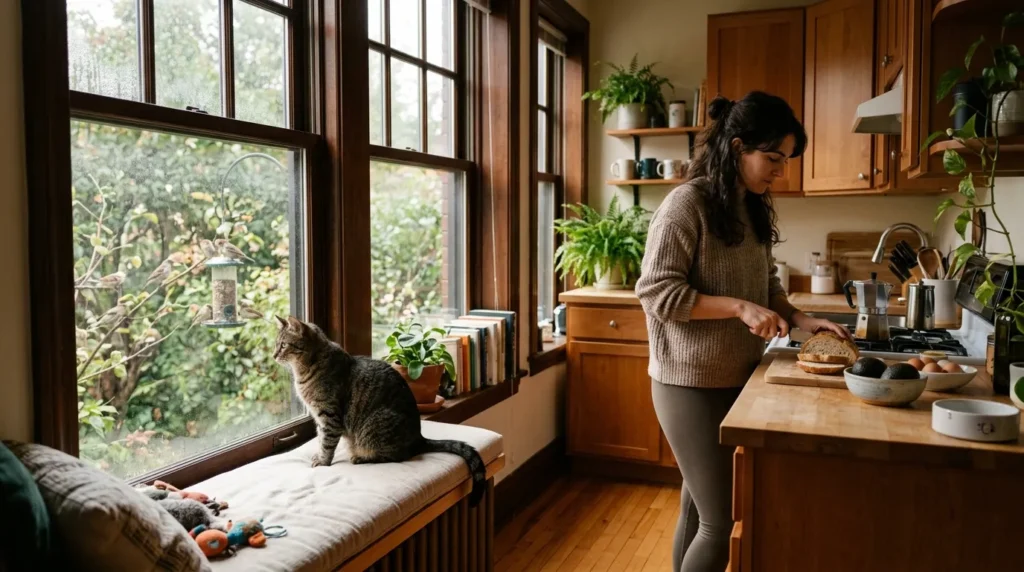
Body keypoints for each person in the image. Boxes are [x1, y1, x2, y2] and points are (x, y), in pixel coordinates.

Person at [635, 91, 851, 572]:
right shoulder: (684, 205)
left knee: (697, 509)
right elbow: (656, 294)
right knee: (720, 518)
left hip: (736, 376)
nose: (781, 170)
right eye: (773, 158)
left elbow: (766, 284)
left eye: (786, 160)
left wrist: (799, 319)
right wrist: (738, 308)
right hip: (686, 383)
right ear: (736, 148)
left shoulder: (750, 206)